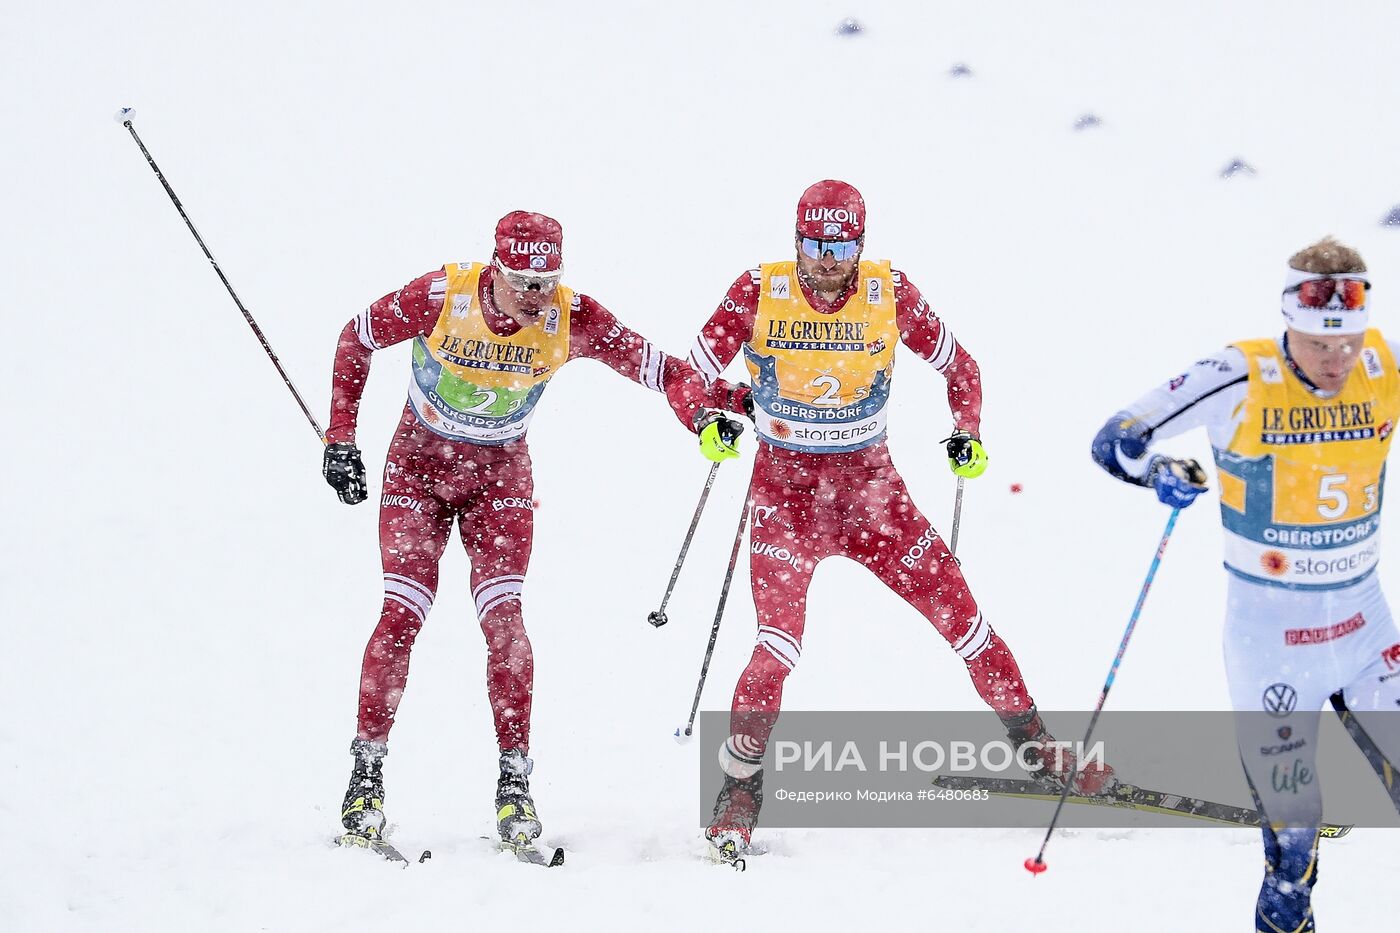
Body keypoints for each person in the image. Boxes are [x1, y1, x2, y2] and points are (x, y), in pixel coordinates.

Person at [665, 179, 1115, 857]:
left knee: (967, 622)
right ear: (796, 240)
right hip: (786, 499)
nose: (827, 260)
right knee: (777, 648)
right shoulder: (757, 290)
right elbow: (686, 374)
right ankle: (739, 789)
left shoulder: (889, 291)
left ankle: (1042, 753)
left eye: (842, 245)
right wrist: (709, 417)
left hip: (873, 495)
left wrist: (967, 429)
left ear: (861, 243)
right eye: (815, 244)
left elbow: (961, 366)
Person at [321, 210, 708, 852]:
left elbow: (661, 369)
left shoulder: (571, 315)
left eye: (546, 281)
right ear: (495, 268)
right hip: (416, 471)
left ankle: (514, 786)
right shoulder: (441, 296)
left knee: (504, 622)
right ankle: (365, 777)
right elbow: (354, 337)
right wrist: (340, 439)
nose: (536, 297)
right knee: (401, 615)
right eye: (522, 281)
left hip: (499, 481)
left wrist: (707, 410)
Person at [1091, 236, 1400, 932]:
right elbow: (1115, 438)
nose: (1337, 361)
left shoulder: (1382, 361)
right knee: (1294, 849)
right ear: (1287, 320)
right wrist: (1158, 473)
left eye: (1347, 342)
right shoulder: (1239, 373)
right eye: (1321, 347)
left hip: (1366, 633)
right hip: (1273, 652)